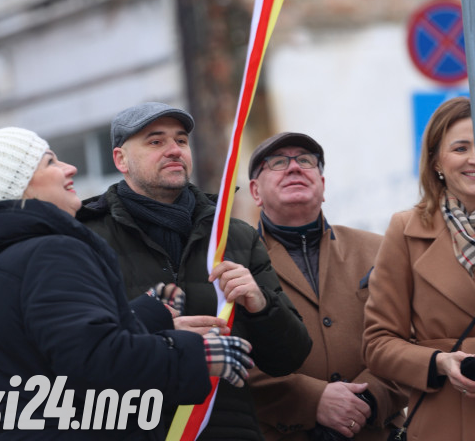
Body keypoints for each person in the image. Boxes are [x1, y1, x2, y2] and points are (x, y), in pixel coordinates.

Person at [0, 126, 254, 440]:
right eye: (50, 163)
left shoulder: (6, 259)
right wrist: (196, 355)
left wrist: (144, 317)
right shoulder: (50, 251)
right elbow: (94, 362)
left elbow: (44, 352)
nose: (69, 168)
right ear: (20, 188)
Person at [78, 102, 312, 441]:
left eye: (181, 140)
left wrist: (261, 305)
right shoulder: (86, 237)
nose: (174, 150)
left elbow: (290, 357)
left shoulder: (235, 236)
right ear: (120, 160)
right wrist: (154, 333)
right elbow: (75, 352)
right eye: (155, 142)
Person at [246, 131, 407, 441]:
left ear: (323, 185)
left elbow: (412, 338)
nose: (294, 168)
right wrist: (313, 401)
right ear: (255, 191)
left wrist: (367, 399)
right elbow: (231, 359)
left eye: (306, 161)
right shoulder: (233, 263)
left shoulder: (381, 249)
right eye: (278, 162)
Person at [363, 96, 475, 441]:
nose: (473, 159)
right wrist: (440, 362)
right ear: (436, 161)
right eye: (460, 148)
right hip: (448, 420)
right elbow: (378, 344)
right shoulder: (406, 230)